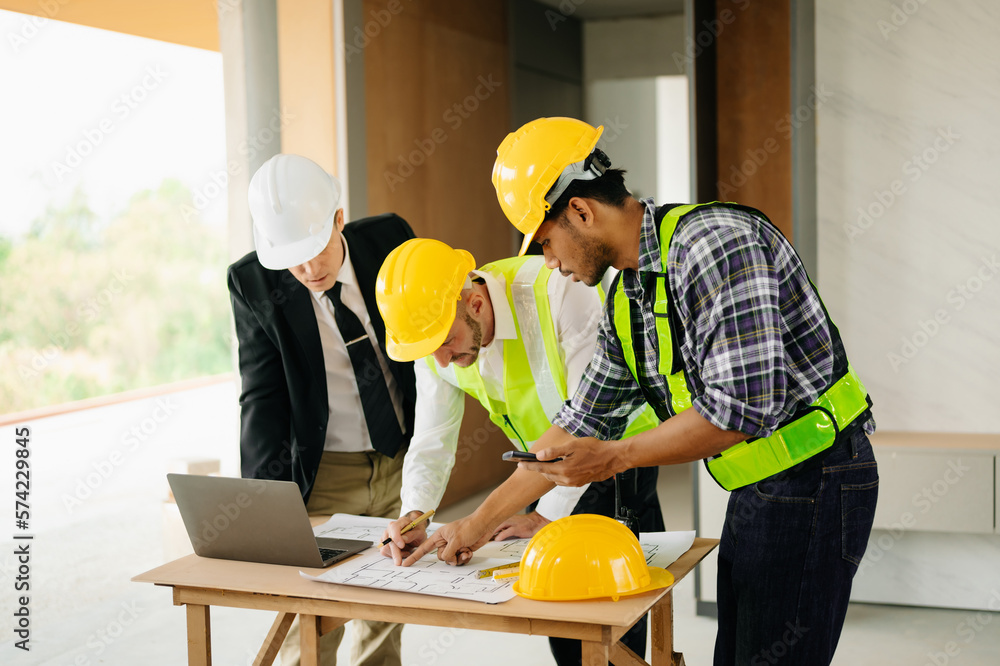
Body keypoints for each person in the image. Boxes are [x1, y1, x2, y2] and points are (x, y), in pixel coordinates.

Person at [405, 118, 879, 666]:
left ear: (581, 211)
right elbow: (579, 422)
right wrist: (472, 526)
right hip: (761, 485)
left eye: (547, 242)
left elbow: (739, 411)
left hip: (817, 475)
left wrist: (613, 457)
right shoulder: (628, 298)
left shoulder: (713, 245)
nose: (549, 261)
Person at [373, 237, 664, 665]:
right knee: (557, 614)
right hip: (541, 471)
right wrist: (416, 512)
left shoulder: (560, 292)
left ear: (474, 303)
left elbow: (586, 426)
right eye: (428, 349)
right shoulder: (432, 337)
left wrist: (543, 514)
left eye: (445, 342)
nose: (441, 358)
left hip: (613, 461)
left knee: (606, 618)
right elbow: (432, 438)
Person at [227, 153, 416, 666]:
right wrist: (263, 506)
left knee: (387, 609)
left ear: (338, 220)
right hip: (326, 468)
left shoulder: (390, 240)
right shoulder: (254, 282)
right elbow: (261, 395)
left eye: (315, 251)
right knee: (310, 620)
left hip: (400, 459)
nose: (309, 270)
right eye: (293, 259)